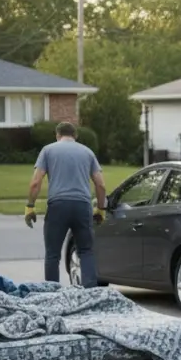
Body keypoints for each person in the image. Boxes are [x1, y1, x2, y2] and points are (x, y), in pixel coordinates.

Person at [25, 121, 107, 287]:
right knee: (86, 251)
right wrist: (100, 209)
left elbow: (35, 182)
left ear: (57, 135)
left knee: (53, 254)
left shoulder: (48, 150)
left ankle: (53, 294)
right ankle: (90, 294)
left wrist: (30, 206)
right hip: (82, 206)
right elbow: (101, 185)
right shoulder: (87, 152)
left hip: (58, 206)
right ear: (75, 136)